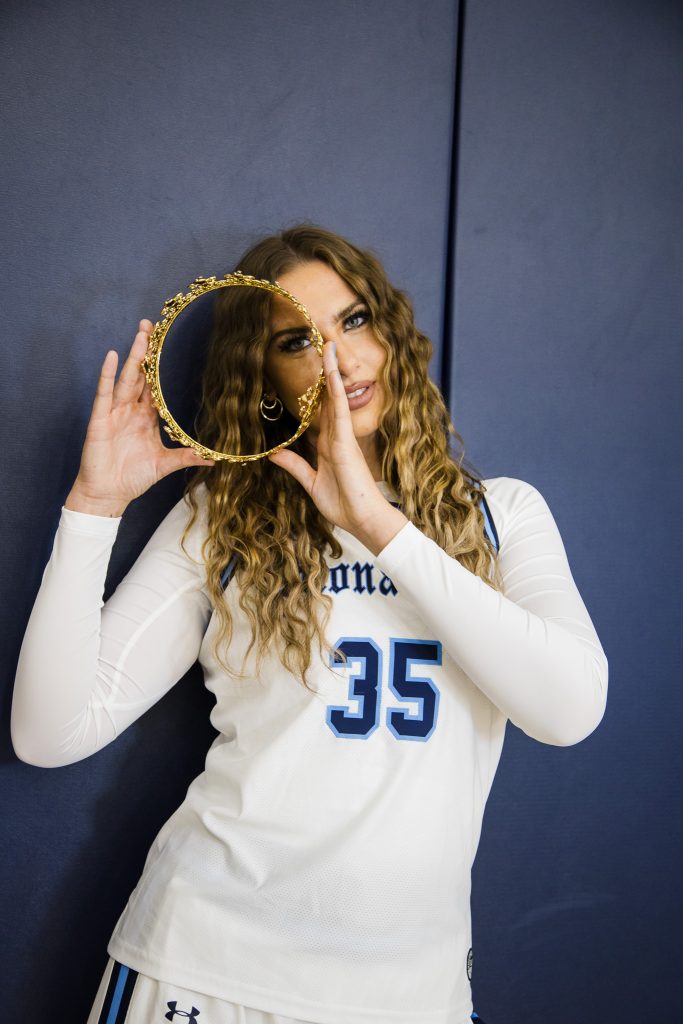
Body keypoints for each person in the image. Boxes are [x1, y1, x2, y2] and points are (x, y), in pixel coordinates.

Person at [11, 224, 608, 1024]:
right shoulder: (221, 517)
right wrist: (94, 507)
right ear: (266, 380)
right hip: (204, 971)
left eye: (354, 321)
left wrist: (376, 525)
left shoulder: (501, 515)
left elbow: (569, 711)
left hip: (410, 996)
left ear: (389, 331)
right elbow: (49, 733)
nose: (341, 359)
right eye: (299, 341)